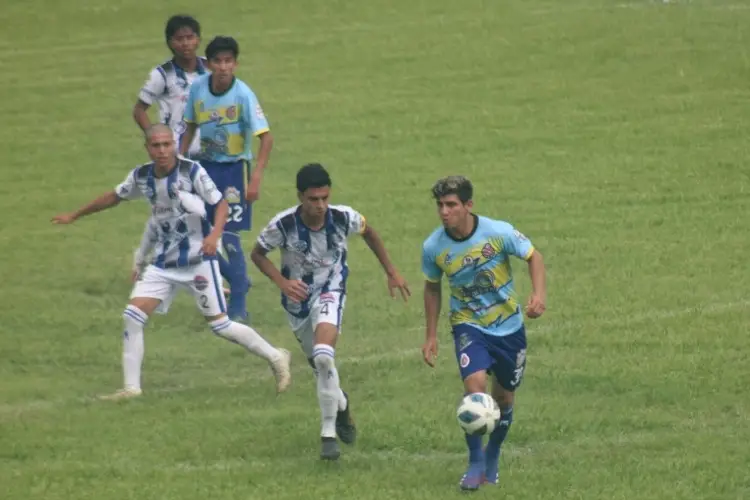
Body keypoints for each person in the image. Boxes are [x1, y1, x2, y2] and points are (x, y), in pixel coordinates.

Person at [51, 124, 291, 400]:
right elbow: (113, 197)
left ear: (174, 145)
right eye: (156, 146)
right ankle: (131, 388)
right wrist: (75, 215)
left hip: (199, 259)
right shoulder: (141, 176)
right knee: (132, 316)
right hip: (164, 262)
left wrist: (214, 235)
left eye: (167, 144)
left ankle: (276, 356)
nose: (162, 150)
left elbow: (221, 203)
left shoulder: (192, 171)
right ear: (148, 149)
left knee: (220, 325)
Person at [250, 163, 410, 460]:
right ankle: (342, 405)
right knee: (319, 366)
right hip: (297, 303)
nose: (321, 205)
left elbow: (370, 233)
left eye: (325, 197)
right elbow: (257, 254)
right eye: (313, 199)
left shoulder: (343, 217)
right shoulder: (282, 225)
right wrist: (282, 282)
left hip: (330, 292)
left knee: (324, 355)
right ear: (300, 197)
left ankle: (328, 434)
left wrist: (392, 272)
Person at [420, 175, 547, 490]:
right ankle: (475, 461)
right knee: (475, 387)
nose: (444, 212)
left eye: (451, 205)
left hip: (509, 328)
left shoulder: (498, 232)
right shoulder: (434, 246)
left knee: (503, 399)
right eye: (440, 205)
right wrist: (431, 335)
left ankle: (493, 455)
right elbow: (432, 288)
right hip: (468, 324)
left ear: (468, 205)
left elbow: (534, 256)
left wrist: (538, 294)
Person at [180, 35, 273, 322]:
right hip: (203, 168)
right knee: (196, 231)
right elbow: (190, 127)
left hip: (234, 171)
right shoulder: (198, 89)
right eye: (218, 62)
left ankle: (239, 303)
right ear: (208, 64)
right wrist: (179, 164)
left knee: (228, 234)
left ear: (235, 63)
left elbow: (266, 138)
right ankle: (238, 279)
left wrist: (255, 177)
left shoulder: (243, 94)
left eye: (228, 61)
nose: (223, 67)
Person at [133, 14, 207, 157]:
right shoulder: (162, 74)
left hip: (211, 152)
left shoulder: (211, 68)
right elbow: (139, 111)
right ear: (169, 42)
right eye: (179, 39)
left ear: (198, 40)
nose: (185, 43)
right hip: (177, 154)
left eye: (190, 37)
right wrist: (157, 139)